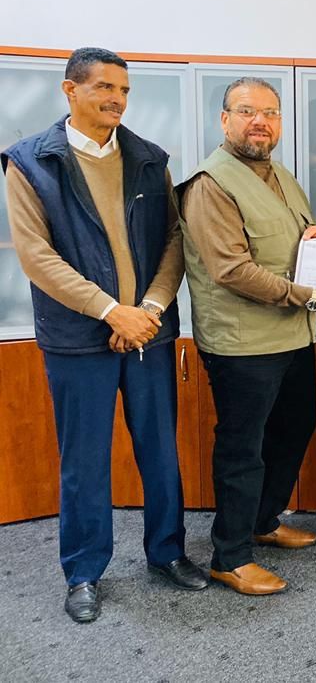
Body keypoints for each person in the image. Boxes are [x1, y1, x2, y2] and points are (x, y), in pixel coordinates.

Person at [1, 47, 206, 623]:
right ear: (71, 90)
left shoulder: (148, 158)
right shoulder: (30, 163)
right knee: (84, 461)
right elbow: (37, 257)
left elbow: (174, 239)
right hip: (77, 338)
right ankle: (84, 572)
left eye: (124, 90)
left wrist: (148, 309)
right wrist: (113, 312)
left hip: (149, 332)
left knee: (160, 452)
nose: (117, 99)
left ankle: (167, 553)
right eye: (105, 88)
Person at [178, 77, 316, 595]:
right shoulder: (210, 185)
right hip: (243, 345)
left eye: (271, 113)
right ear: (224, 119)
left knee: (296, 425)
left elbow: (285, 243)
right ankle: (230, 556)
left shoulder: (279, 173)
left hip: (291, 335)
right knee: (244, 448)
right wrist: (315, 296)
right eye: (247, 111)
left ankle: (262, 520)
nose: (260, 121)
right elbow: (233, 270)